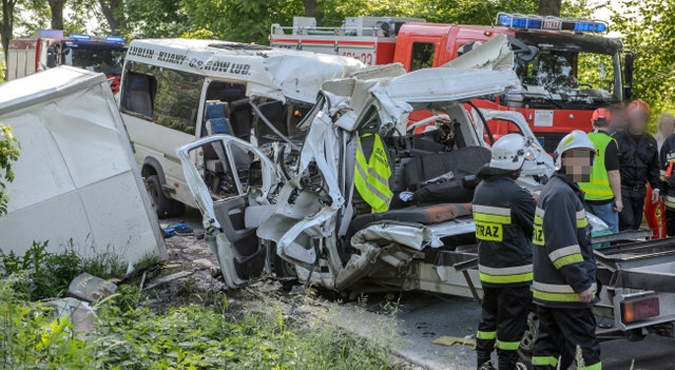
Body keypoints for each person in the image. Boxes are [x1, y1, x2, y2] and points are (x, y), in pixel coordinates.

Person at [531, 130, 601, 370]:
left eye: (588, 158)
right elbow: (563, 248)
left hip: (551, 291)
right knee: (586, 349)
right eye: (579, 157)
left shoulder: (558, 189)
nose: (586, 164)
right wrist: (581, 284)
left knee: (549, 347)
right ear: (563, 160)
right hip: (566, 293)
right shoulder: (561, 194)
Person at [473, 134, 536, 370]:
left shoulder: (481, 189)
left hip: (489, 271)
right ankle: (508, 365)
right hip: (515, 273)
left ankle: (483, 362)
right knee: (511, 323)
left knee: (488, 318)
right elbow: (538, 227)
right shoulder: (516, 194)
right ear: (514, 161)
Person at [613, 99, 661, 230]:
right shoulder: (618, 139)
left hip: (639, 190)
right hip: (622, 189)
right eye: (635, 118)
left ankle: (629, 248)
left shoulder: (650, 141)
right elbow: (612, 167)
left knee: (635, 224)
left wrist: (656, 187)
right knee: (626, 222)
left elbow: (653, 167)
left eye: (641, 118)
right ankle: (623, 247)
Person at [578, 108, 622, 233]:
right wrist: (618, 199)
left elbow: (576, 172)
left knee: (586, 233)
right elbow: (613, 173)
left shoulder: (582, 140)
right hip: (604, 199)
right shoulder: (610, 142)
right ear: (609, 123)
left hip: (583, 197)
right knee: (610, 234)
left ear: (592, 122)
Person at [647, 113, 675, 238]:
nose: (668, 127)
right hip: (656, 181)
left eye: (670, 124)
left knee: (665, 215)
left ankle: (663, 240)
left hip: (668, 185)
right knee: (648, 210)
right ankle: (655, 237)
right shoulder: (656, 140)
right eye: (665, 124)